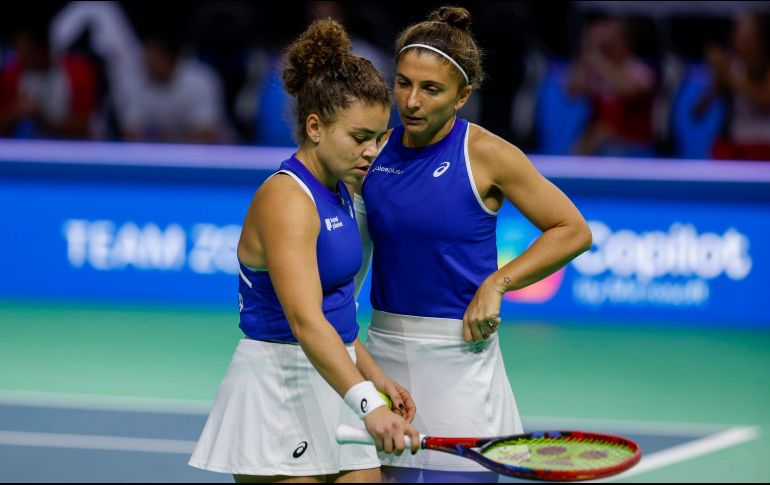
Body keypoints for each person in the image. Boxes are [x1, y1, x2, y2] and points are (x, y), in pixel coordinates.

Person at [355, 6, 592, 483]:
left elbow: (573, 229)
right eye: (403, 83)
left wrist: (498, 283)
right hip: (383, 357)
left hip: (459, 361)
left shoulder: (486, 154)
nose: (412, 101)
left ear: (462, 95)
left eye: (431, 89)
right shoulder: (374, 150)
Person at [188, 18, 420, 483]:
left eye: (378, 137)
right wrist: (368, 402)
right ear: (315, 127)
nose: (372, 151)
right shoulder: (287, 198)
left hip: (335, 377)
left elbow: (337, 314)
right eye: (359, 137)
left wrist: (376, 377)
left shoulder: (340, 192)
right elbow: (305, 320)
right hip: (278, 388)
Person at [566, 17, 657, 157]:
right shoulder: (597, 72)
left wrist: (597, 58)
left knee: (604, 134)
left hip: (633, 152)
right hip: (599, 150)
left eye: (613, 40)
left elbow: (627, 90)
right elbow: (572, 90)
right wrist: (589, 47)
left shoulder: (640, 70)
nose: (608, 45)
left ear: (625, 42)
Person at [695, 12, 770, 161]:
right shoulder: (732, 66)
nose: (741, 40)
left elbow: (765, 101)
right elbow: (698, 112)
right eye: (738, 34)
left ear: (760, 38)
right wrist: (718, 79)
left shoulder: (765, 67)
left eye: (748, 35)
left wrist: (731, 78)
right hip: (737, 145)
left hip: (765, 145)